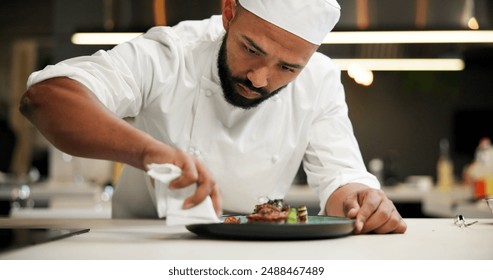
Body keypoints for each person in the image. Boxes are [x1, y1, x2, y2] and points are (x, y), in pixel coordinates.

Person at [19, 0, 407, 234]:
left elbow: (341, 180)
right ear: (228, 12)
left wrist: (361, 201)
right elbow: (46, 98)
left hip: (260, 256)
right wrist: (151, 153)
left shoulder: (320, 79)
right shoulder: (171, 54)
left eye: (287, 68)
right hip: (144, 245)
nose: (260, 78)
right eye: (251, 49)